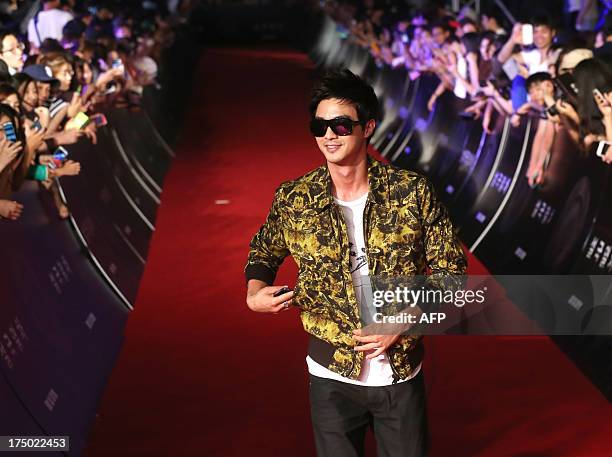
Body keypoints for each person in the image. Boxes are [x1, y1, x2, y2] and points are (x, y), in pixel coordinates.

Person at [244, 68, 467, 457]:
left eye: (341, 125)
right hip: (329, 372)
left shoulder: (411, 193)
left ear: (368, 128)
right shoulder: (296, 197)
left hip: (399, 372)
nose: (329, 135)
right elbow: (263, 252)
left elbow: (453, 275)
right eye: (320, 125)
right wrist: (255, 292)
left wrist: (402, 320)